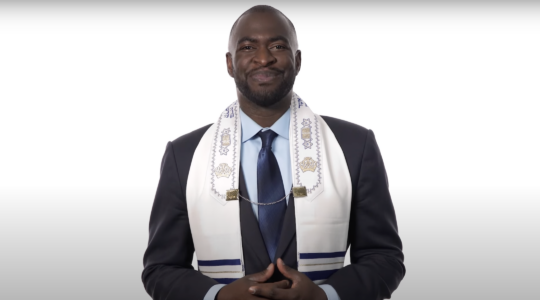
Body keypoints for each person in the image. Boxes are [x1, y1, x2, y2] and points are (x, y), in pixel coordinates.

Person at [142, 5, 405, 300]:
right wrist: (218, 296)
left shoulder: (354, 146)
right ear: (229, 64)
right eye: (248, 47)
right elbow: (160, 268)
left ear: (298, 59)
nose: (264, 57)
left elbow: (384, 258)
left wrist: (325, 296)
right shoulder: (185, 155)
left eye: (278, 46)